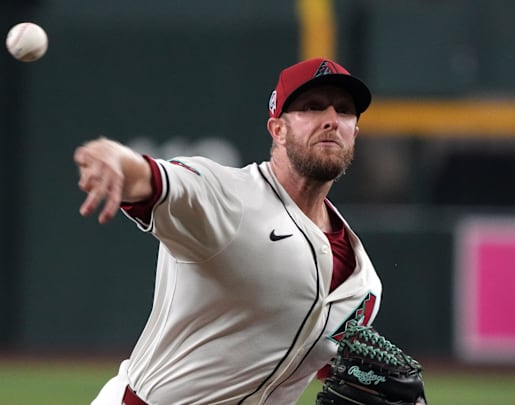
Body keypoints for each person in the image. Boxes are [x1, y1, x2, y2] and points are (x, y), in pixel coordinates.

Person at [74, 58, 383, 405]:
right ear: (277, 130)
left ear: (354, 131)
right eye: (311, 107)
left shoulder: (363, 281)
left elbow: (333, 366)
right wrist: (114, 157)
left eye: (344, 111)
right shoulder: (226, 197)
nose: (330, 120)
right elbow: (153, 179)